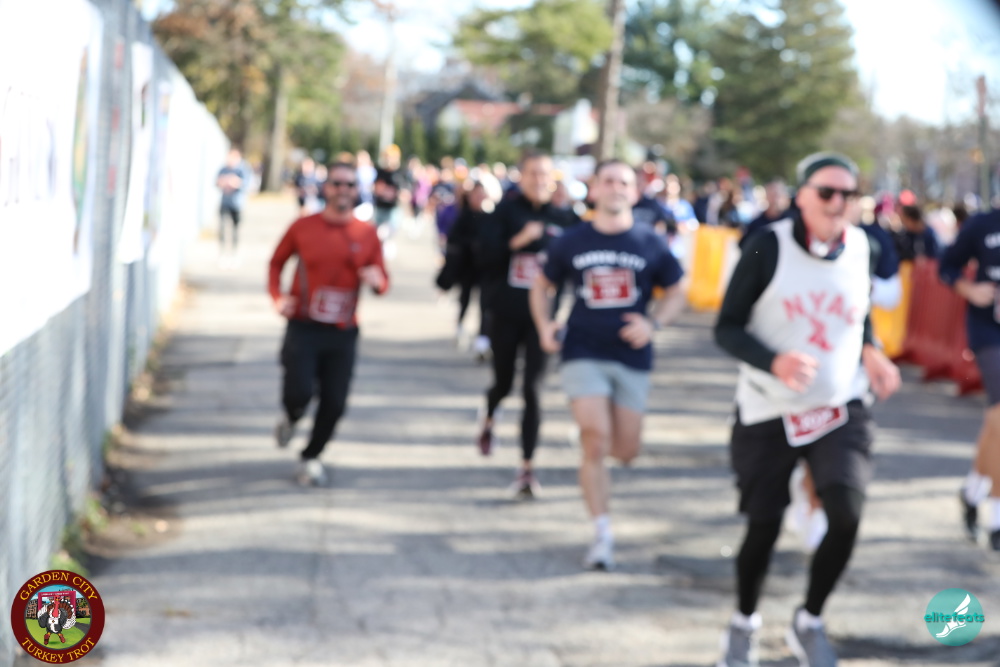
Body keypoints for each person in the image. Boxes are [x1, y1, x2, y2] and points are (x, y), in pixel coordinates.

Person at [713, 152, 901, 667]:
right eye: (826, 192)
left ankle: (809, 620)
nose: (838, 203)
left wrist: (872, 349)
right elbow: (726, 327)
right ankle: (744, 622)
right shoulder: (765, 245)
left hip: (838, 405)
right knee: (763, 527)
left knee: (846, 514)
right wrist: (773, 360)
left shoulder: (864, 246)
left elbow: (858, 311)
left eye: (848, 194)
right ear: (802, 197)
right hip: (769, 407)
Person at [529, 159, 686, 570]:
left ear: (634, 192)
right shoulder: (572, 240)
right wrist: (545, 326)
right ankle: (601, 533)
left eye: (623, 182)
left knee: (626, 450)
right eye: (608, 181)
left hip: (631, 354)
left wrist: (653, 324)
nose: (615, 187)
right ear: (594, 189)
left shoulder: (650, 242)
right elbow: (541, 286)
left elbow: (677, 291)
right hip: (583, 348)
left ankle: (592, 429)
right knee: (596, 441)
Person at [268, 163, 390, 487]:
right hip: (304, 326)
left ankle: (312, 455)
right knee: (299, 393)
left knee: (335, 402)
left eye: (350, 184)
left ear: (357, 190)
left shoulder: (366, 233)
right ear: (326, 188)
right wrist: (278, 298)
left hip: (343, 331)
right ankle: (291, 416)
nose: (343, 190)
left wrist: (377, 281)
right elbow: (276, 262)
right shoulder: (303, 226)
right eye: (337, 183)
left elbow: (382, 280)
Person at [476, 152, 579, 498]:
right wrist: (517, 241)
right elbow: (483, 258)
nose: (539, 180)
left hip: (543, 321)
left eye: (545, 174)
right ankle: (489, 415)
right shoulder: (504, 213)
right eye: (533, 173)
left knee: (533, 390)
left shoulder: (565, 219)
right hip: (505, 314)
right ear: (521, 177)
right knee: (503, 383)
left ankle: (526, 469)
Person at [939, 207, 1000, 551]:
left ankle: (972, 491)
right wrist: (969, 289)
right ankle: (997, 516)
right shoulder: (982, 223)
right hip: (989, 330)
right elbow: (946, 266)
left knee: (995, 422)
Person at [216, 148, 252, 262]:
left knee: (235, 229)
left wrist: (236, 182)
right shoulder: (223, 169)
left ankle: (234, 253)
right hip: (225, 202)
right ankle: (222, 253)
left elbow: (248, 184)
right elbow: (216, 182)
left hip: (237, 204)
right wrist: (222, 182)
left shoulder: (243, 169)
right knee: (222, 228)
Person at [740, 179, 791, 249]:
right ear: (766, 196)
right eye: (771, 195)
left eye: (777, 195)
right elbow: (745, 246)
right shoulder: (756, 224)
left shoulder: (791, 220)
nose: (774, 199)